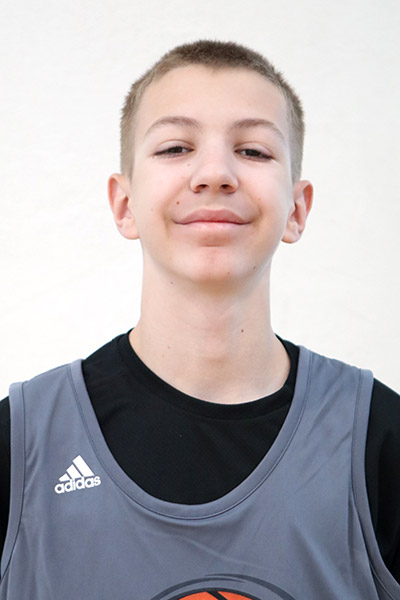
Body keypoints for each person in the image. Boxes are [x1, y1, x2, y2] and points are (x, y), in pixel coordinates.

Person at [0, 40, 399, 600]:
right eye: (175, 147)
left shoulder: (379, 438)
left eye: (253, 150)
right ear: (124, 204)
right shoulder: (21, 445)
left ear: (297, 208)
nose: (214, 173)